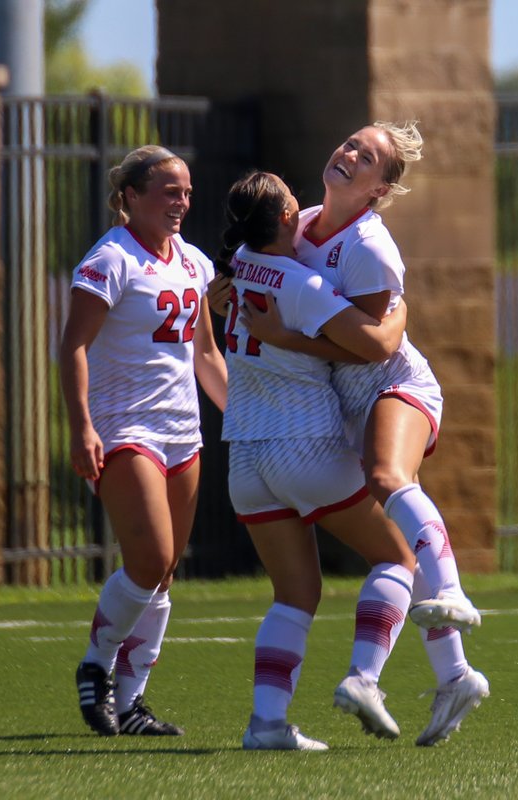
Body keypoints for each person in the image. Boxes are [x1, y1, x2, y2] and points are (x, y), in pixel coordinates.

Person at [242, 122, 489, 747]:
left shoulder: (371, 245)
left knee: (387, 479)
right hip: (345, 405)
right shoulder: (298, 225)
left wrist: (285, 339)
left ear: (380, 189)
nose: (350, 153)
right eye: (351, 143)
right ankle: (456, 675)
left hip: (396, 384)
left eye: (368, 156)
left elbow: (377, 349)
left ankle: (450, 596)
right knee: (397, 536)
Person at [219, 171, 423, 751]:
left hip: (246, 459)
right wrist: (402, 307)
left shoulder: (234, 269)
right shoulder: (300, 282)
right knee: (398, 558)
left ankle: (266, 725)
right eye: (292, 201)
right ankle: (364, 678)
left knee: (294, 595)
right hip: (301, 444)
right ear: (287, 219)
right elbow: (376, 343)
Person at [59, 145, 227, 737]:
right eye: (168, 191)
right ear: (130, 197)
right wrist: (82, 426)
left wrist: (244, 416)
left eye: (186, 191)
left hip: (183, 432)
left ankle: (130, 703)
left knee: (164, 573)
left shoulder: (193, 262)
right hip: (125, 429)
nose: (181, 202)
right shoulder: (110, 260)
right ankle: (97, 666)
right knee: (149, 559)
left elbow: (204, 353)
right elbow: (73, 345)